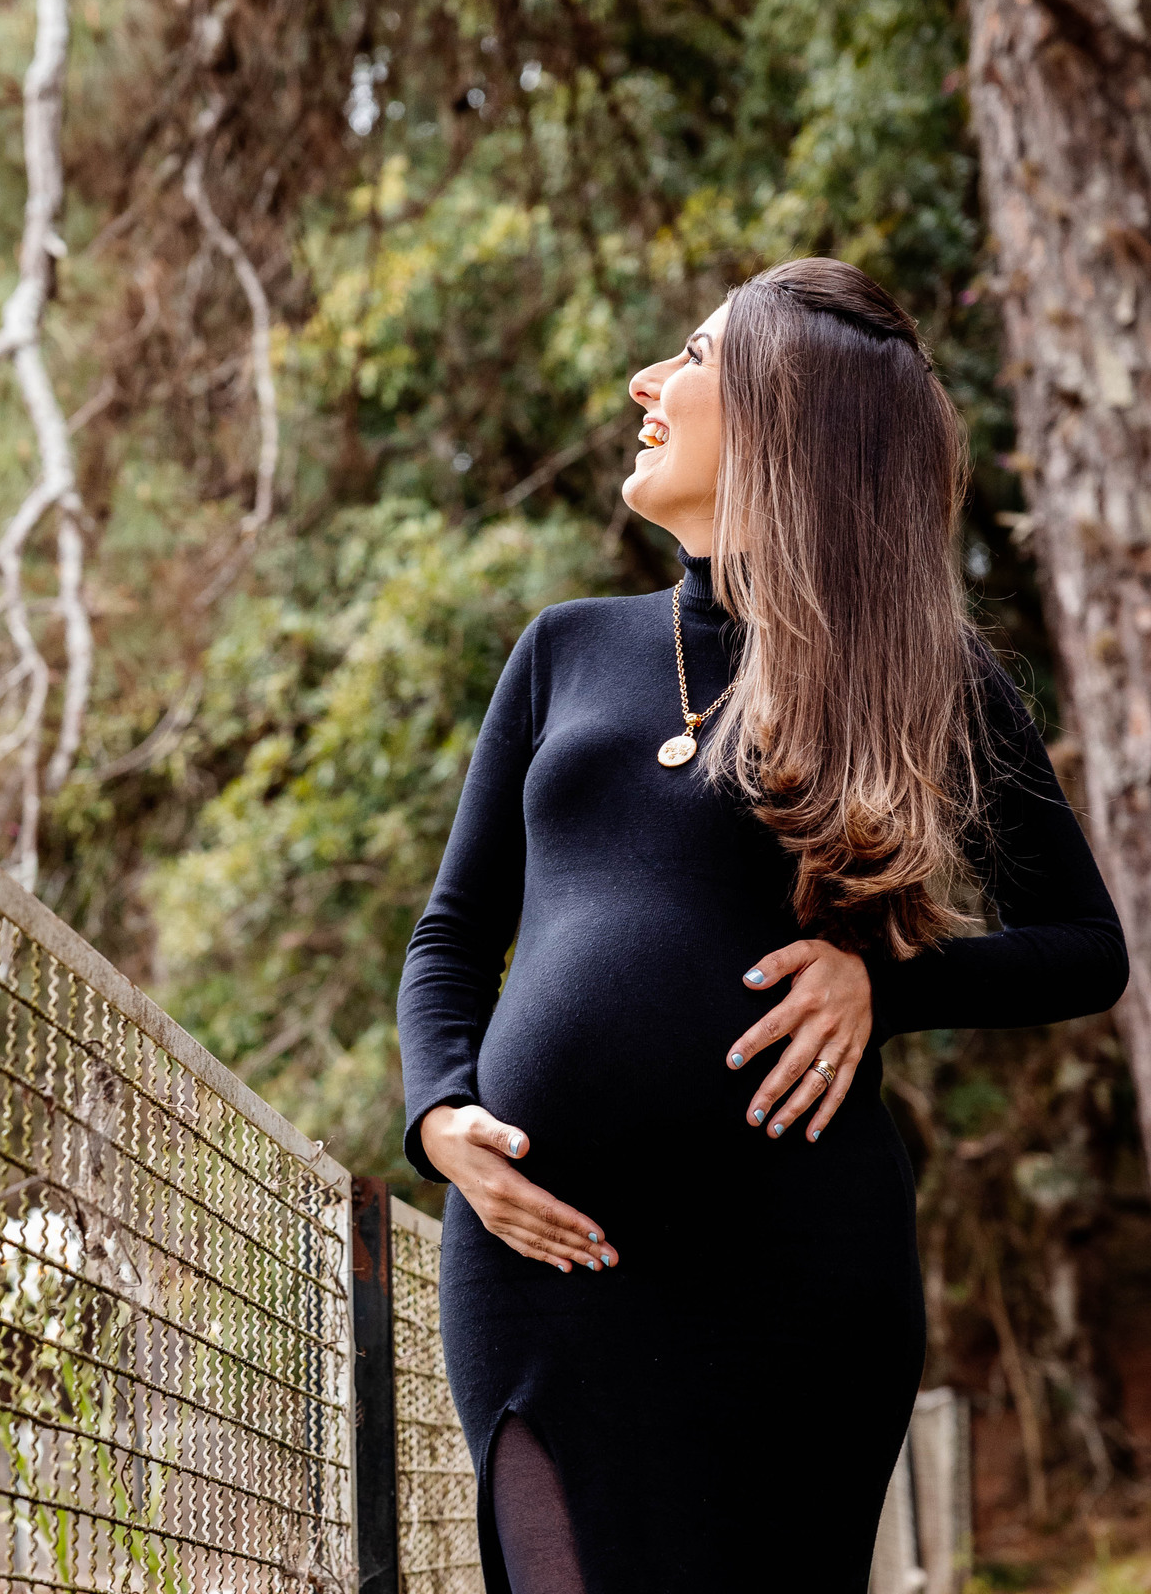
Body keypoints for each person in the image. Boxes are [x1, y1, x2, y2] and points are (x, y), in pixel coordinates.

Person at [396, 259, 1128, 1594]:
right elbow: (450, 937)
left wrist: (882, 980)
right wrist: (440, 1120)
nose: (647, 384)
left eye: (691, 354)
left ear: (786, 417)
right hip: (543, 1265)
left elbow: (1085, 948)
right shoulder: (563, 649)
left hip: (795, 1272)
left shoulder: (917, 667)